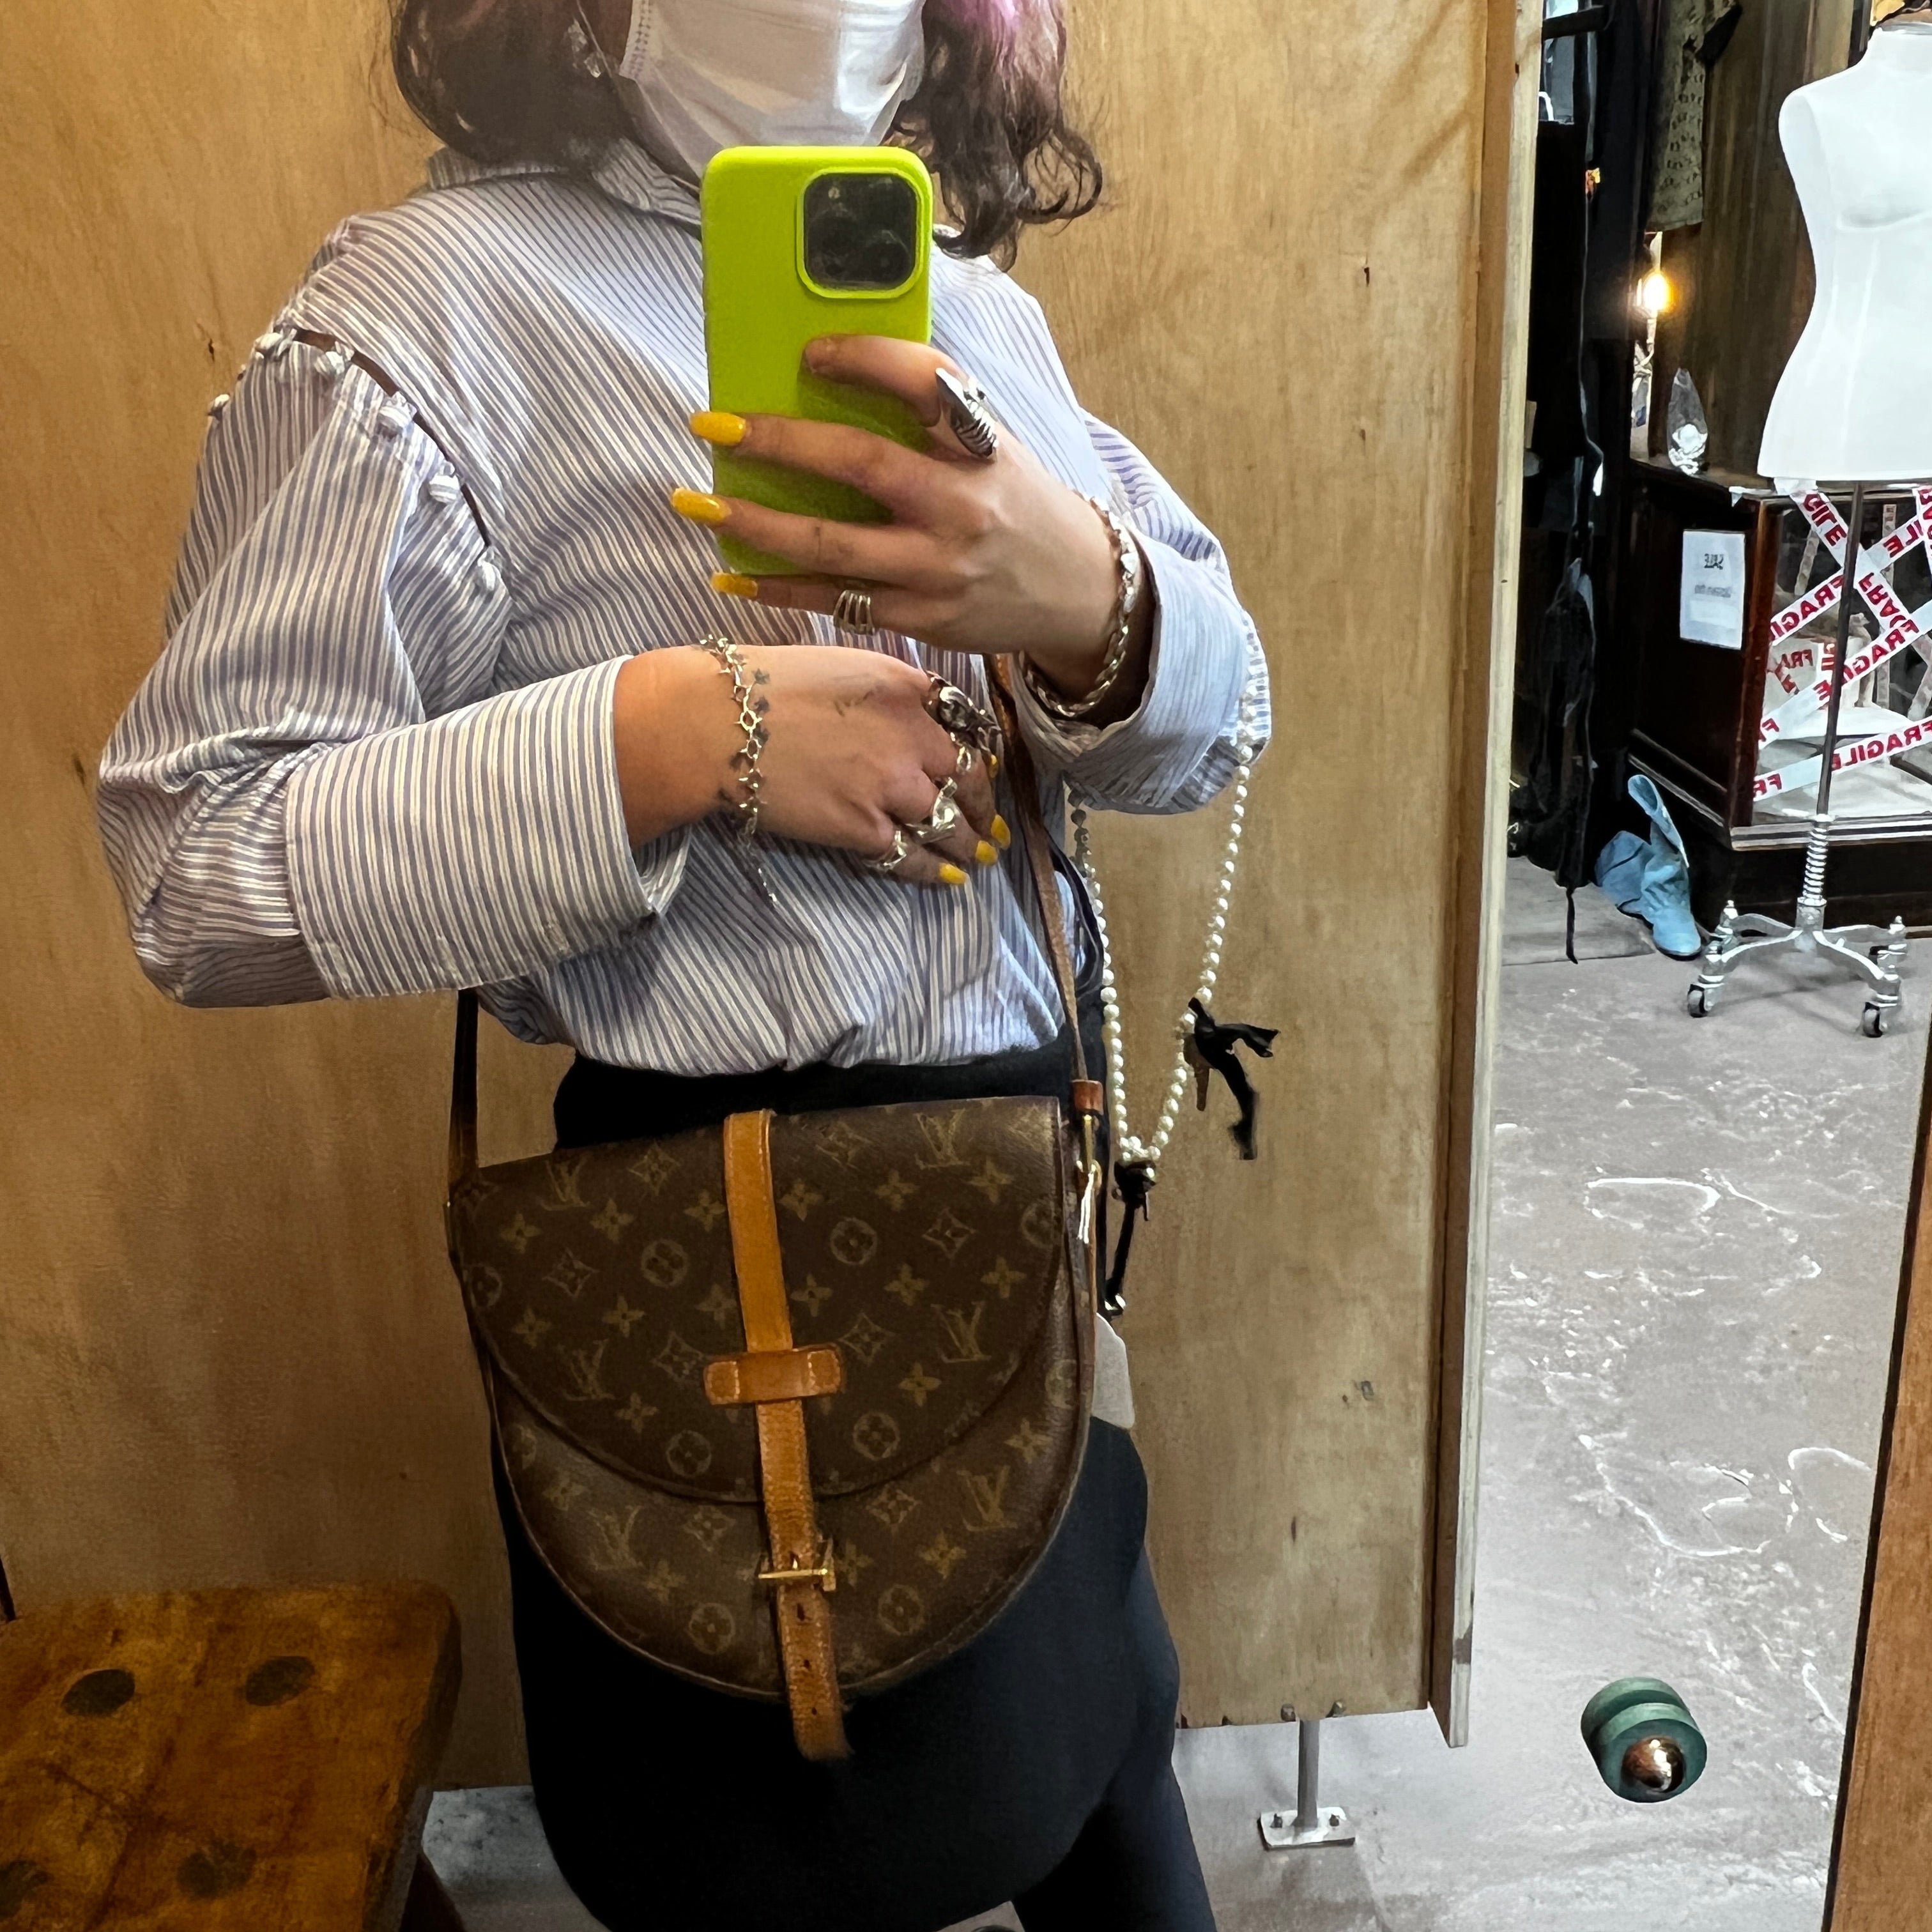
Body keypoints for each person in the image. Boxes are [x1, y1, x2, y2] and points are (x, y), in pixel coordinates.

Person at [98, 1, 1269, 1926]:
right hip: (696, 1244)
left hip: (1019, 1193)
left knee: (1101, 1749)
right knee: (759, 1858)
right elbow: (196, 856)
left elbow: (1216, 734)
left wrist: (1090, 603)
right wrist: (668, 737)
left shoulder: (977, 314)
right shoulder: (432, 316)